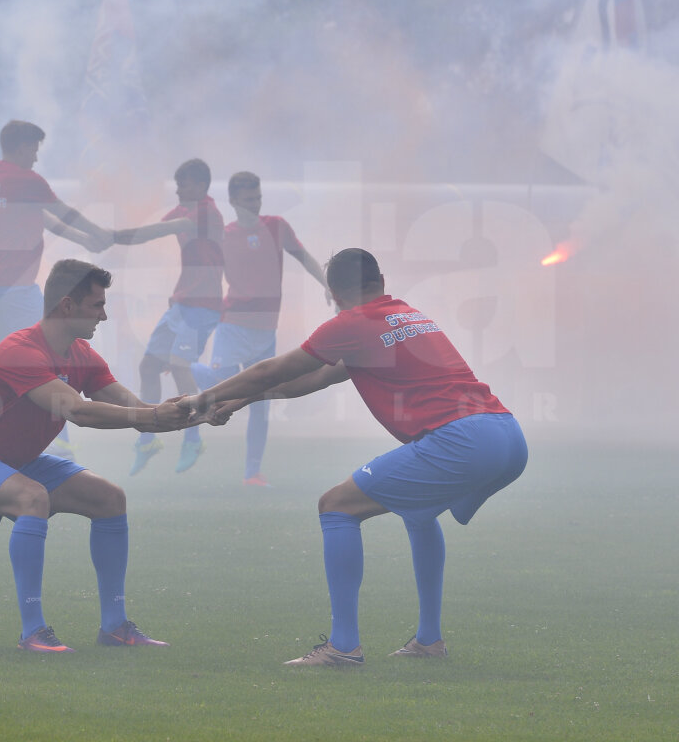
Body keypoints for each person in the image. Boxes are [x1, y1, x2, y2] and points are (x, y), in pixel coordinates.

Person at [182, 248, 527, 666]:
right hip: (507, 436)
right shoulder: (405, 314)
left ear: (333, 295)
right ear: (381, 281)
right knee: (419, 514)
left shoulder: (352, 323)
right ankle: (429, 641)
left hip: (462, 440)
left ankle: (343, 647)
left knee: (336, 506)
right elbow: (319, 377)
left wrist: (202, 399)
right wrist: (239, 401)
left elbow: (271, 370)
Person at [0, 258, 196, 652]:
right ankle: (32, 633)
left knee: (109, 499)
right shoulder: (19, 351)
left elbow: (140, 414)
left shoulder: (83, 355)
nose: (104, 315)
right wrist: (153, 415)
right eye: (97, 305)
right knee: (31, 497)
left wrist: (194, 413)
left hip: (15, 462)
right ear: (67, 306)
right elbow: (79, 412)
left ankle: (115, 628)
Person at [0, 120, 114, 460]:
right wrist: (99, 233)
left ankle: (11, 438)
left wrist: (83, 240)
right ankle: (58, 445)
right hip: (12, 288)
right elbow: (64, 212)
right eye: (34, 149)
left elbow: (44, 218)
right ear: (22, 147)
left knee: (18, 364)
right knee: (51, 355)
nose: (36, 157)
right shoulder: (25, 180)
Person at [189, 171, 328, 487]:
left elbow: (304, 257)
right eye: (248, 200)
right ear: (234, 201)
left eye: (258, 198)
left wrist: (326, 285)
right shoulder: (223, 236)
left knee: (259, 400)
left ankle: (252, 472)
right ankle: (188, 365)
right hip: (233, 325)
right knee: (223, 385)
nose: (255, 204)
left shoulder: (276, 226)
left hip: (266, 331)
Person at [113, 158, 224, 474]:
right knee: (148, 366)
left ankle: (193, 439)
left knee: (179, 366)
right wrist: (115, 239)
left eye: (183, 185)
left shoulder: (207, 213)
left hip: (203, 305)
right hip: (181, 304)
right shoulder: (184, 210)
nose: (177, 190)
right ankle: (147, 440)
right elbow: (148, 234)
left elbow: (162, 229)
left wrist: (112, 235)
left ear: (200, 186)